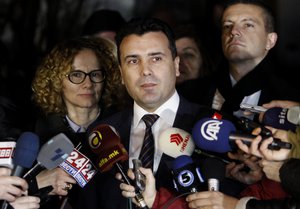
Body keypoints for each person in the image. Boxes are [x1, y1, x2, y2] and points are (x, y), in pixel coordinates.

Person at [83, 17, 230, 209]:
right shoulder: (101, 133)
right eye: (133, 60)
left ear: (176, 66)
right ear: (120, 73)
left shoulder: (213, 128)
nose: (145, 71)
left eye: (156, 58)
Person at [30, 36, 122, 208]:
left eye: (95, 74)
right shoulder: (35, 133)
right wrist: (37, 183)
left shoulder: (121, 128)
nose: (88, 83)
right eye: (76, 74)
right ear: (57, 81)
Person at [211, 0, 300, 121]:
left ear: (270, 41)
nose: (233, 31)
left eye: (248, 25)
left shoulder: (293, 98)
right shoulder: (192, 92)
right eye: (227, 25)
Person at [174, 24, 215, 106]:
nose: (178, 61)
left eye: (188, 54)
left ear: (204, 61)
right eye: (173, 55)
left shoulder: (216, 102)